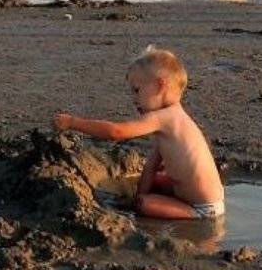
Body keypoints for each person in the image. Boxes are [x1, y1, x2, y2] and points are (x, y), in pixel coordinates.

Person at [53, 46, 224, 220]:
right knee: (151, 183)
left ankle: (193, 215)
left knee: (143, 204)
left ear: (160, 86)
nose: (134, 99)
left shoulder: (164, 118)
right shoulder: (175, 119)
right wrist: (139, 193)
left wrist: (72, 122)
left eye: (137, 90)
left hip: (204, 208)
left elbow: (116, 132)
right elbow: (150, 167)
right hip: (194, 195)